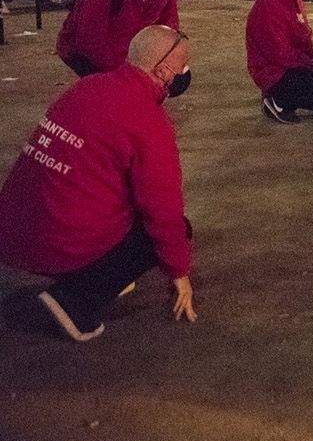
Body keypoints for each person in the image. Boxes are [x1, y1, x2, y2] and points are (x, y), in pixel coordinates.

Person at [0, 26, 196, 342]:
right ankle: (75, 300)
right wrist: (180, 272)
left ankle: (88, 274)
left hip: (13, 230)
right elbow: (163, 210)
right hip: (56, 244)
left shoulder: (87, 86)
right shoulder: (148, 121)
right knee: (168, 231)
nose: (186, 71)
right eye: (183, 65)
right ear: (163, 71)